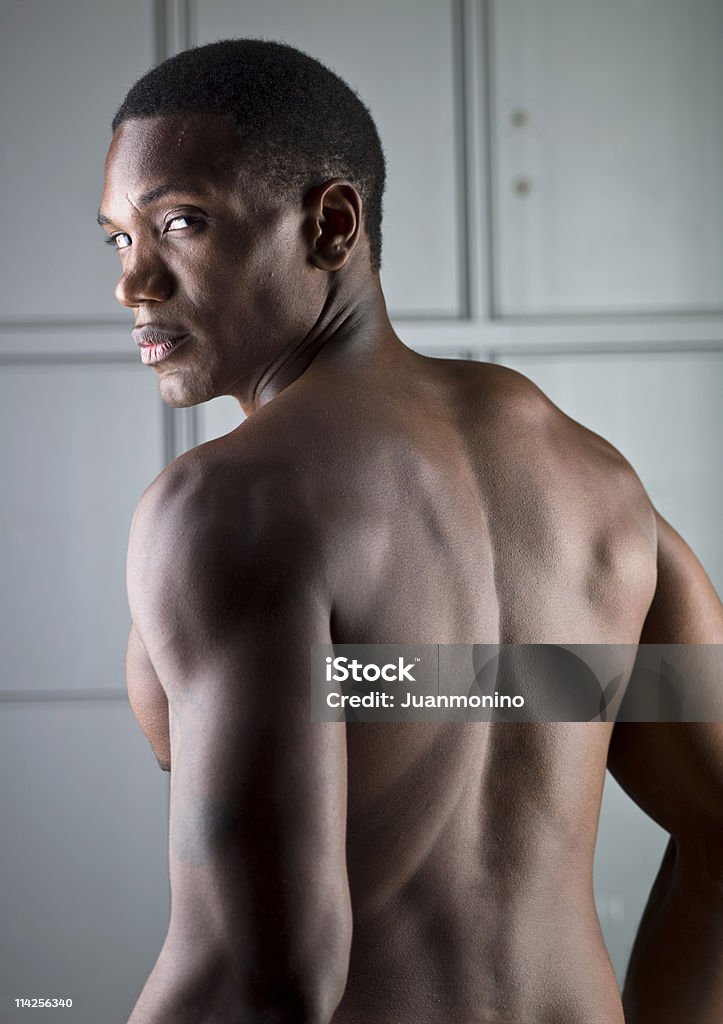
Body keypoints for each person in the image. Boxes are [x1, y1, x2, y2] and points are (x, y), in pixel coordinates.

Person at [99, 39, 723, 1024]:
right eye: (119, 240)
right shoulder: (602, 486)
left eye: (180, 223)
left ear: (331, 223)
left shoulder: (228, 505)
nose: (135, 285)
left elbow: (265, 976)